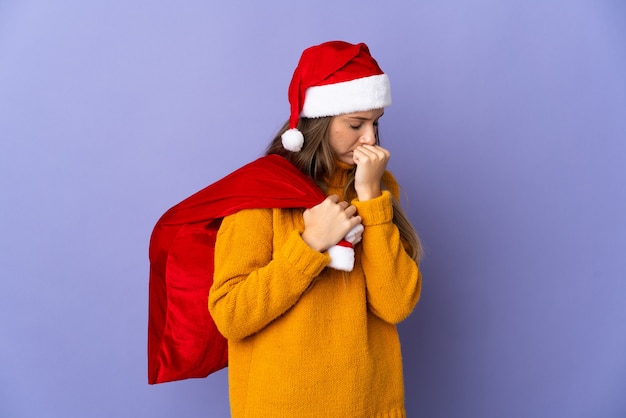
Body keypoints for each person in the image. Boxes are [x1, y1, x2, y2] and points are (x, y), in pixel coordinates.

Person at [208, 40, 422, 418]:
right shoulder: (262, 192)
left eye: (375, 123)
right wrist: (309, 245)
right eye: (356, 124)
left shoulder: (379, 187)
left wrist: (371, 199)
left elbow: (396, 304)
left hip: (369, 404)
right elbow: (232, 316)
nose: (370, 139)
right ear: (319, 120)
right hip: (283, 407)